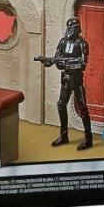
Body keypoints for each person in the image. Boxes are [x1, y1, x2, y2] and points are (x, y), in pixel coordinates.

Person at [41, 17, 93, 150]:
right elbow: (57, 60)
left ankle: (88, 139)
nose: (70, 31)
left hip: (77, 80)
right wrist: (50, 62)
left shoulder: (82, 43)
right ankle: (64, 135)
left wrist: (68, 64)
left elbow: (83, 64)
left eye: (73, 28)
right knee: (60, 104)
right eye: (69, 28)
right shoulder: (63, 42)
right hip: (65, 79)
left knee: (82, 107)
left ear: (77, 29)